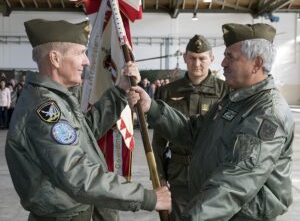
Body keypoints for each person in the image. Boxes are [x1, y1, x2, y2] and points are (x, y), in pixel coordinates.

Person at [5, 19, 171, 221]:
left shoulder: (56, 98)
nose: (87, 61)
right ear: (55, 59)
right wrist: (147, 197)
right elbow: (78, 175)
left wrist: (119, 91)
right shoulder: (46, 109)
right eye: (80, 53)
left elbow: (86, 132)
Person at [128, 23, 294, 220]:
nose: (223, 63)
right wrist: (152, 108)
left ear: (256, 64)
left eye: (230, 57)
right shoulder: (235, 100)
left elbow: (235, 183)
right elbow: (194, 131)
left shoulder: (266, 113)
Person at [152, 34, 229, 220]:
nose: (197, 63)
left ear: (211, 59)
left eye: (202, 58)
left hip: (213, 172)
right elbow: (159, 139)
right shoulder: (168, 91)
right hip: (179, 172)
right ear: (185, 58)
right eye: (192, 58)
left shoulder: (226, 91)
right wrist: (159, 176)